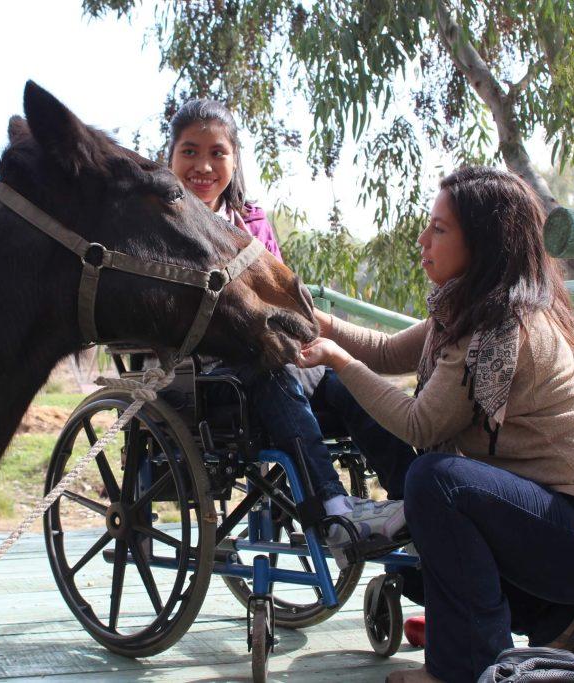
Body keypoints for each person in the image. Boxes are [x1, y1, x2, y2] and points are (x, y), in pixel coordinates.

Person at [297, 166, 574, 683]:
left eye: (439, 229)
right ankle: (557, 620)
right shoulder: (477, 306)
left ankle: (465, 667)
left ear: (484, 242)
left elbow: (419, 425)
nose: (423, 240)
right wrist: (326, 326)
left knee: (436, 481)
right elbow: (390, 349)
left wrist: (338, 362)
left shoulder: (498, 326)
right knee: (437, 497)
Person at [166, 99, 412, 541]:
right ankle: (333, 510)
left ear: (234, 160)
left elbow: (279, 299)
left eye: (217, 152)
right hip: (206, 379)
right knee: (272, 370)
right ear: (171, 157)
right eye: (189, 151)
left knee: (347, 381)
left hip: (278, 362)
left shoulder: (251, 224)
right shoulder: (160, 226)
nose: (203, 165)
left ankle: (418, 500)